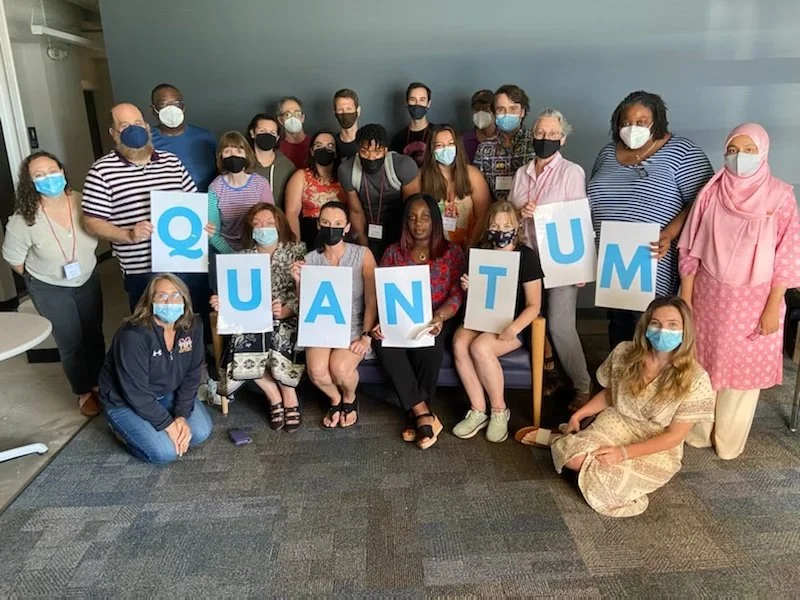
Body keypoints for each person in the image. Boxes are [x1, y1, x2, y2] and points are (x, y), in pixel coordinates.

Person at [678, 123, 800, 460]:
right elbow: (689, 248)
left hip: (756, 299)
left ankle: (728, 441)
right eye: (732, 150)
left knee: (742, 373)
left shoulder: (780, 197)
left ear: (763, 153)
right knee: (701, 364)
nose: (739, 157)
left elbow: (787, 256)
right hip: (708, 294)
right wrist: (686, 297)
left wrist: (773, 306)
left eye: (748, 150)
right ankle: (698, 432)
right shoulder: (712, 192)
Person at [551, 297, 715, 517]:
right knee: (573, 457)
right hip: (617, 421)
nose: (662, 330)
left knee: (606, 482)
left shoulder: (696, 378)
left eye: (672, 325)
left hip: (657, 440)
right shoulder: (624, 352)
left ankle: (580, 461)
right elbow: (610, 394)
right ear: (646, 325)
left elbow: (674, 436)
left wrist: (623, 453)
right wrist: (579, 415)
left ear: (685, 330)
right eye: (656, 323)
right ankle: (580, 461)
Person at [587, 90, 714, 347]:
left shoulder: (682, 151)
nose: (632, 127)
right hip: (612, 257)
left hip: (653, 253)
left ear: (657, 121)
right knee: (619, 322)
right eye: (625, 122)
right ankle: (620, 371)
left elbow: (705, 198)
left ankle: (651, 372)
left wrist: (671, 232)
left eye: (641, 121)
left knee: (650, 322)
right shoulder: (607, 153)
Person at [2, 151, 105, 417]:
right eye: (39, 175)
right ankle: (83, 391)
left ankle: (98, 383)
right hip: (49, 287)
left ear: (62, 171)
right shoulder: (24, 219)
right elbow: (14, 258)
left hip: (87, 278)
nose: (48, 178)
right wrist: (43, 276)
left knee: (93, 334)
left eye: (52, 171)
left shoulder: (83, 201)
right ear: (30, 182)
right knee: (70, 340)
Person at [82, 102, 208, 313]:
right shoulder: (101, 171)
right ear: (113, 133)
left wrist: (203, 226)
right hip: (143, 271)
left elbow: (192, 203)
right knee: (150, 326)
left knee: (195, 320)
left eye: (138, 123)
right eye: (125, 126)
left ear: (148, 127)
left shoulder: (172, 162)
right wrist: (127, 235)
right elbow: (92, 222)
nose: (134, 130)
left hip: (186, 262)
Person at [509, 108, 592, 408]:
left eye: (553, 133)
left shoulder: (572, 172)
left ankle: (583, 386)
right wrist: (520, 213)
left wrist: (580, 266)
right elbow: (509, 216)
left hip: (561, 260)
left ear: (563, 138)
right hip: (527, 259)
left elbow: (578, 218)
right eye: (541, 133)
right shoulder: (521, 174)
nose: (546, 138)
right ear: (532, 136)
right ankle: (547, 374)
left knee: (560, 326)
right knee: (531, 319)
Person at [371, 194, 465, 450]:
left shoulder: (452, 252)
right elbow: (383, 292)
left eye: (425, 217)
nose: (418, 223)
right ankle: (423, 411)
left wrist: (440, 316)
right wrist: (382, 322)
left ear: (435, 220)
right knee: (382, 342)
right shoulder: (393, 252)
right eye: (412, 218)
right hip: (400, 319)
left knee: (430, 342)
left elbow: (457, 293)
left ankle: (414, 414)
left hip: (437, 318)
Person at [210, 203, 307, 431]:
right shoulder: (242, 257)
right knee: (243, 340)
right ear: (250, 229)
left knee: (280, 334)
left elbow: (308, 290)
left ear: (279, 225)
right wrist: (221, 302)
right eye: (258, 224)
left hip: (288, 316)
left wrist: (288, 309)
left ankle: (289, 394)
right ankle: (273, 394)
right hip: (251, 319)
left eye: (270, 223)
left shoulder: (297, 251)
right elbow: (233, 295)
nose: (264, 228)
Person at [452, 202, 543, 443]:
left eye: (506, 226)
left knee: (480, 347)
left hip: (514, 323)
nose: (500, 231)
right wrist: (469, 287)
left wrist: (514, 327)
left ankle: (499, 410)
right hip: (482, 318)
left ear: (517, 227)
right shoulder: (479, 253)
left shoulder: (527, 257)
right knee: (460, 342)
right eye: (495, 226)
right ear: (487, 228)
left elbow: (534, 305)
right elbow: (480, 298)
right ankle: (478, 409)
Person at [99, 273, 213, 464]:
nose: (170, 302)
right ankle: (119, 430)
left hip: (166, 392)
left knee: (201, 432)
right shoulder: (133, 335)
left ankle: (155, 425)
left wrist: (181, 416)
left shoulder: (193, 325)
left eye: (176, 295)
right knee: (164, 453)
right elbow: (135, 392)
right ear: (150, 301)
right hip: (125, 400)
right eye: (162, 296)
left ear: (185, 299)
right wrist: (168, 425)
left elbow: (192, 374)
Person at [291, 201, 377, 429]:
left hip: (353, 325)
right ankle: (335, 399)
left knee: (340, 369)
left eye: (338, 223)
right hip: (321, 325)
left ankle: (349, 397)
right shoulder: (310, 259)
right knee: (317, 371)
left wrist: (366, 336)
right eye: (326, 222)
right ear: (319, 225)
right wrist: (298, 281)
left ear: (347, 227)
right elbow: (306, 304)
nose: (332, 228)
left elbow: (372, 300)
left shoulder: (362, 255)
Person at [340, 124, 420, 261]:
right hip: (368, 228)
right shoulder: (347, 170)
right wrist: (364, 249)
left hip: (399, 227)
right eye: (365, 152)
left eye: (377, 151)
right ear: (358, 150)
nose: (371, 157)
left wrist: (408, 242)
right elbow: (356, 212)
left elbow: (412, 207)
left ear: (386, 150)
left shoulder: (403, 166)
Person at [420, 124, 490, 248]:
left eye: (450, 144)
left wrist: (469, 249)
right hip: (433, 250)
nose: (446, 149)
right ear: (431, 149)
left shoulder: (473, 175)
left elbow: (483, 216)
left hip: (469, 247)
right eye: (439, 145)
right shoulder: (421, 178)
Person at [207, 131, 274, 254]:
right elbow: (212, 233)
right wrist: (235, 256)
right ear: (221, 157)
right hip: (226, 251)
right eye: (227, 151)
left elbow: (271, 224)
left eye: (238, 151)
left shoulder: (261, 184)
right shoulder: (215, 188)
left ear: (246, 154)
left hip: (258, 249)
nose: (233, 155)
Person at [149, 83, 217, 192]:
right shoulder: (147, 140)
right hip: (166, 202)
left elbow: (222, 172)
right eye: (163, 104)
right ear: (153, 110)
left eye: (176, 104)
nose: (171, 109)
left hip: (206, 200)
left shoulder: (205, 137)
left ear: (183, 107)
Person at [284, 130, 346, 248]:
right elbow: (291, 213)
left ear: (336, 152)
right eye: (319, 146)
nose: (324, 149)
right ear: (312, 151)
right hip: (309, 235)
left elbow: (354, 210)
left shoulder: (344, 177)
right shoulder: (300, 176)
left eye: (330, 146)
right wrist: (297, 246)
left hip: (339, 237)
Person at [473, 84, 535, 202]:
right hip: (494, 211)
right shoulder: (484, 149)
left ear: (522, 112)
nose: (507, 114)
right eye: (501, 109)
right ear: (494, 113)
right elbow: (478, 191)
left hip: (529, 210)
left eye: (513, 109)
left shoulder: (535, 144)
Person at [247, 113, 296, 208]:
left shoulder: (287, 166)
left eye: (272, 132)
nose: (267, 135)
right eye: (262, 130)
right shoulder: (242, 163)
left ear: (277, 138)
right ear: (252, 133)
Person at [389, 82, 434, 167]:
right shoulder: (397, 139)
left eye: (422, 100)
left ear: (428, 104)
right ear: (406, 102)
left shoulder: (438, 133)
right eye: (413, 99)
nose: (417, 104)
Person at [461, 89, 497, 164]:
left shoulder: (505, 138)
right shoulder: (464, 141)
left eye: (485, 109)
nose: (480, 113)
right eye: (477, 109)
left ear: (495, 111)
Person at [277, 96, 310, 169]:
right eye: (287, 114)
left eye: (297, 114)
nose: (293, 118)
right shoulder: (277, 150)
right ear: (280, 120)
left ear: (302, 118)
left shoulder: (314, 145)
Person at [333, 88, 360, 160]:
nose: (345, 113)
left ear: (358, 111)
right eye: (340, 110)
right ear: (335, 113)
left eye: (349, 109)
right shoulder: (332, 144)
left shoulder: (367, 142)